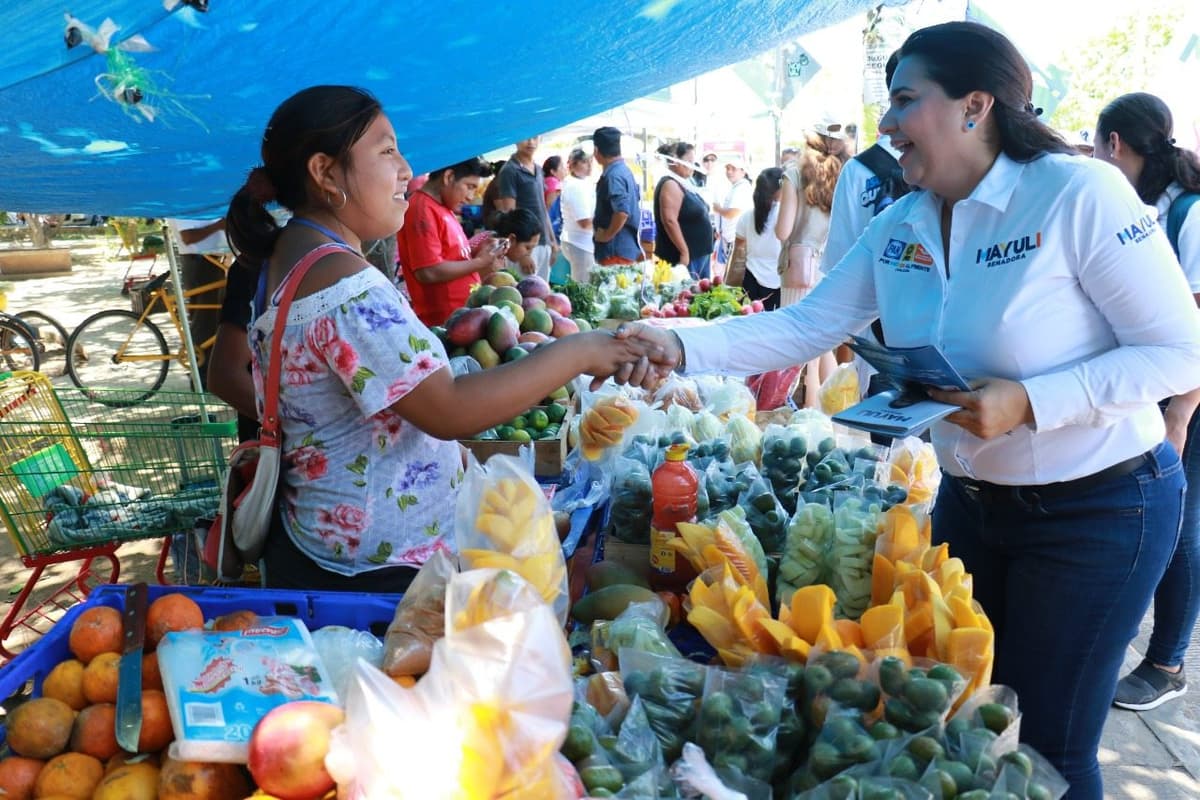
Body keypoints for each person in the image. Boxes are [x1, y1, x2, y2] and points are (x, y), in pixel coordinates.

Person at [615, 22, 1200, 799]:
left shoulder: (1076, 193)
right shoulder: (903, 222)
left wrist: (1030, 403)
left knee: (1050, 749)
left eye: (904, 100)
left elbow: (1179, 351)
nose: (885, 125)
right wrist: (675, 345)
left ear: (975, 105)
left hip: (1099, 509)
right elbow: (805, 325)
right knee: (965, 721)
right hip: (973, 507)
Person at [224, 85, 653, 593]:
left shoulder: (288, 263)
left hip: (323, 546)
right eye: (386, 151)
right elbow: (448, 409)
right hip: (379, 573)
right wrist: (581, 349)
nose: (406, 168)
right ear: (324, 172)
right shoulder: (344, 283)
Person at [1094, 91, 1200, 712]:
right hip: (1154, 396)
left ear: (1114, 145)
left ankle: (1167, 663)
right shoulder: (1147, 210)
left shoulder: (1189, 213)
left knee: (1182, 530)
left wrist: (1181, 412)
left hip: (1187, 400)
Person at [775, 121, 848, 407]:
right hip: (829, 268)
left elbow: (782, 231)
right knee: (822, 344)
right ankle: (834, 409)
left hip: (798, 269)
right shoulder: (843, 175)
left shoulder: (794, 174)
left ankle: (810, 409)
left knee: (800, 343)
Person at [395, 156, 505, 327]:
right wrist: (479, 262)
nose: (471, 197)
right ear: (448, 177)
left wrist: (479, 252)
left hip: (462, 315)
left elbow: (451, 258)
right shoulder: (421, 209)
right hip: (446, 322)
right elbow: (428, 271)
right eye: (469, 187)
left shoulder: (443, 207)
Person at [165, 217, 230, 387]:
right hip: (200, 264)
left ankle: (208, 372)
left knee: (212, 318)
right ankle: (201, 378)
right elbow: (188, 237)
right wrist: (218, 225)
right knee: (205, 321)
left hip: (210, 261)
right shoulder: (183, 206)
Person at [495, 137, 559, 279]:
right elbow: (509, 213)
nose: (531, 142)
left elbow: (542, 206)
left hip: (543, 242)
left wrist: (552, 241)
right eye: (525, 138)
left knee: (542, 293)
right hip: (524, 245)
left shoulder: (538, 169)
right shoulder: (510, 170)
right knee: (525, 294)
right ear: (516, 139)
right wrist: (523, 255)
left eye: (535, 137)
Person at [653, 141, 714, 279]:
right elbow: (669, 220)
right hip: (687, 258)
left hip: (699, 254)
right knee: (687, 296)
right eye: (689, 161)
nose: (693, 166)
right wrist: (684, 252)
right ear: (676, 161)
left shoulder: (684, 182)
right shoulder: (670, 184)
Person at [730, 167, 783, 310]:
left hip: (751, 280)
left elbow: (738, 251)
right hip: (780, 280)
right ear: (780, 189)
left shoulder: (747, 216)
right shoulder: (787, 217)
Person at [591, 126, 642, 265]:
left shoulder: (614, 176)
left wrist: (607, 235)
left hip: (615, 252)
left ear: (596, 150)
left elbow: (622, 212)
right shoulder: (623, 170)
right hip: (623, 249)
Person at [559, 148, 596, 282]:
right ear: (573, 165)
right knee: (583, 287)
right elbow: (585, 222)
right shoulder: (575, 186)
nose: (590, 166)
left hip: (581, 242)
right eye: (585, 162)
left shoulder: (582, 182)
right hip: (580, 244)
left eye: (591, 161)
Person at [712, 156, 753, 268]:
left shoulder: (742, 188)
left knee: (734, 278)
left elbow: (733, 213)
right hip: (731, 241)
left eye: (733, 169)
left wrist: (718, 209)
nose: (729, 172)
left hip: (737, 242)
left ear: (743, 172)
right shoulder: (736, 187)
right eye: (728, 168)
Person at [494, 208, 543, 274]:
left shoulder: (499, 254)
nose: (529, 254)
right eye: (527, 248)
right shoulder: (490, 256)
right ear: (511, 239)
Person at [543, 155, 565, 243]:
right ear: (553, 171)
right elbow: (550, 206)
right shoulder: (553, 182)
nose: (565, 170)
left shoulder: (547, 181)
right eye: (562, 167)